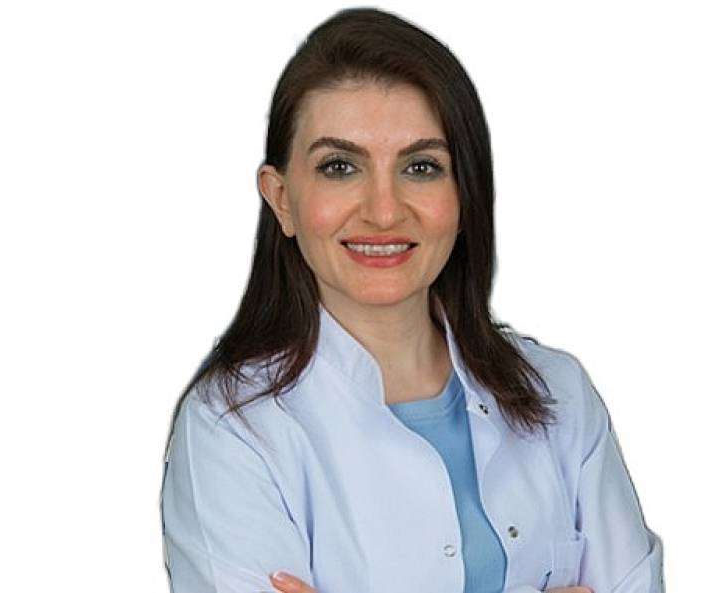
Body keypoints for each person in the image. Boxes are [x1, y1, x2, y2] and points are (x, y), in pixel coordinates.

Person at [160, 7, 664, 593]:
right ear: (282, 200)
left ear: (465, 194)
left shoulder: (560, 394)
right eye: (339, 167)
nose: (384, 211)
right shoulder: (232, 429)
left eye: (422, 167)